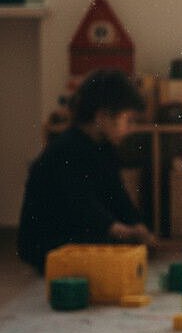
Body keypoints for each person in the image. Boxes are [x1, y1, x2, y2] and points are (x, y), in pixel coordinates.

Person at [18, 69, 154, 273]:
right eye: (129, 120)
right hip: (49, 242)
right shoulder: (66, 149)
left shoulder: (103, 147)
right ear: (102, 117)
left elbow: (117, 193)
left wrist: (137, 224)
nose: (132, 128)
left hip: (77, 231)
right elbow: (80, 202)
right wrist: (119, 230)